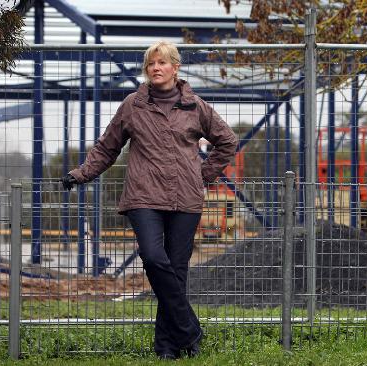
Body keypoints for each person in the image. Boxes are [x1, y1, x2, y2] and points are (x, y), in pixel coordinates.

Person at [61, 40, 237, 360]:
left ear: (175, 67)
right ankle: (189, 328)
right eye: (151, 64)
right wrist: (81, 173)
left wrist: (203, 175)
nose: (156, 68)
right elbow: (107, 147)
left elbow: (227, 141)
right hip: (144, 195)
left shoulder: (195, 106)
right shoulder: (133, 105)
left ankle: (168, 348)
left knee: (177, 272)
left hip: (185, 197)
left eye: (162, 63)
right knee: (155, 258)